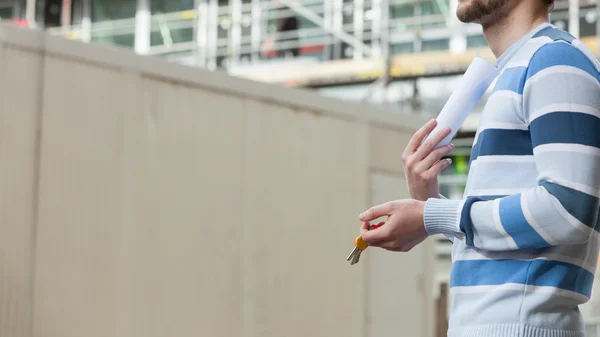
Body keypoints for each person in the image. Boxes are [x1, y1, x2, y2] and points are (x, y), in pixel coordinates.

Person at [357, 0, 600, 336]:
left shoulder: (554, 60)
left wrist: (434, 216)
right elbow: (514, 237)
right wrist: (431, 202)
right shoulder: (523, 67)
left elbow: (568, 211)